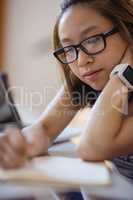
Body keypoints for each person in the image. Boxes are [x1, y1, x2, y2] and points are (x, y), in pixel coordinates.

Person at [0, 0, 133, 181]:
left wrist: (123, 76)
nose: (80, 61)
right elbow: (45, 128)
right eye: (69, 49)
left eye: (93, 39)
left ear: (128, 30)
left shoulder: (114, 76)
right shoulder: (92, 75)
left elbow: (92, 147)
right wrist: (21, 145)